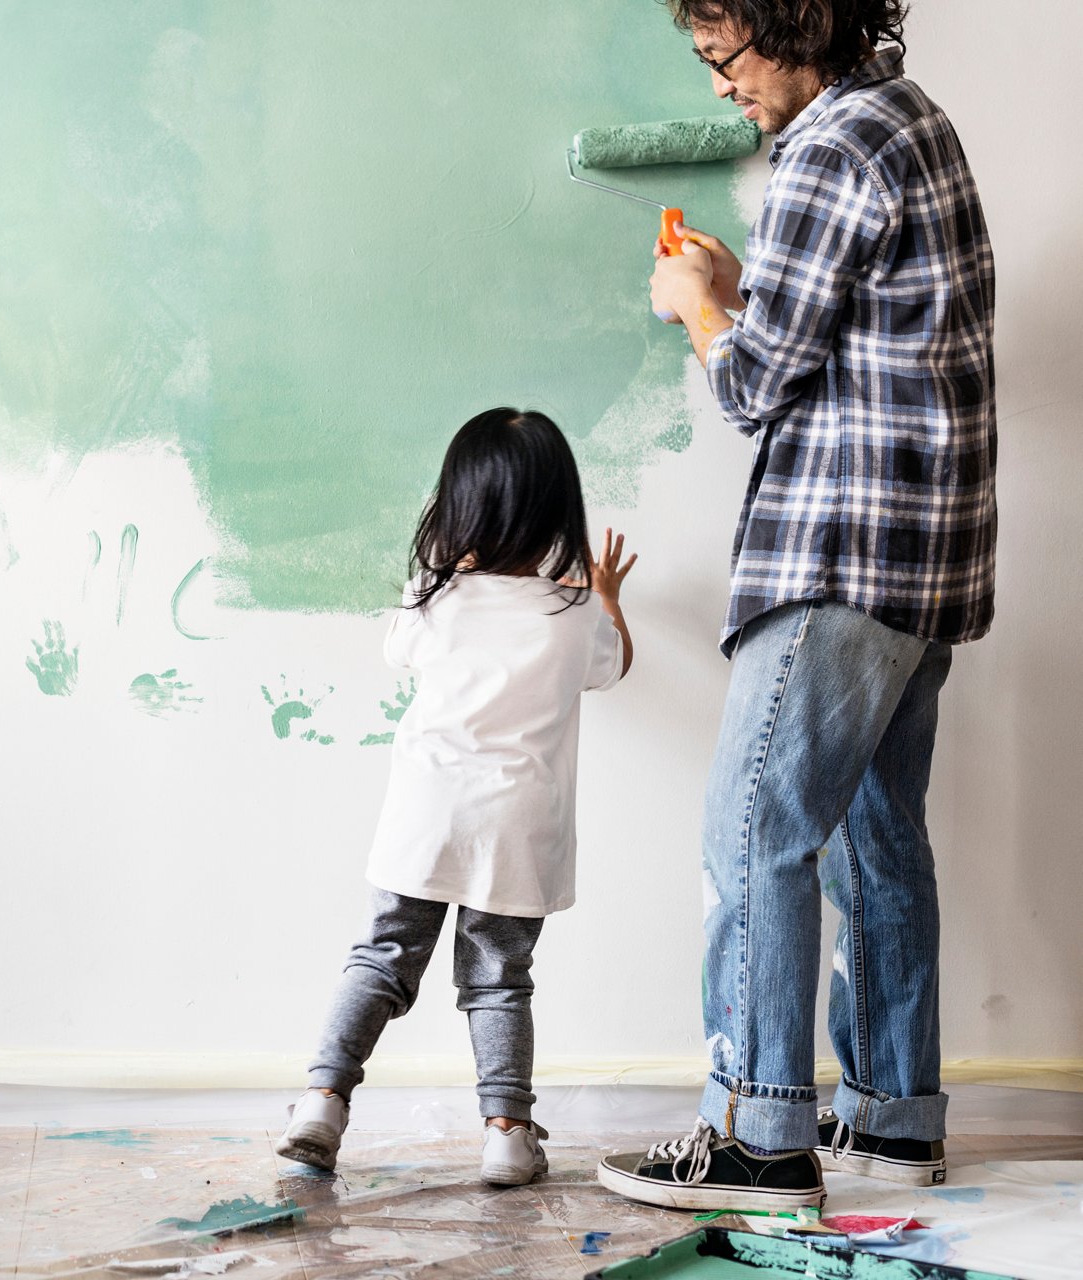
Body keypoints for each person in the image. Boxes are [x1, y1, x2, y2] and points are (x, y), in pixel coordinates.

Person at [598, 0, 996, 1211]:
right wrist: (738, 281)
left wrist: (695, 309)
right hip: (922, 558)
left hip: (839, 547)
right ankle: (890, 1116)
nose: (718, 84)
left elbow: (761, 382)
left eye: (724, 54)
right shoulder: (905, 120)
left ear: (793, 20)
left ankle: (757, 1134)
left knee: (754, 829)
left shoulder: (827, 146)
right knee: (875, 842)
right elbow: (848, 333)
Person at [278, 407, 636, 1186]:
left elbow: (397, 650)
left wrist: (455, 568)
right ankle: (507, 1134)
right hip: (518, 826)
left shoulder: (433, 598)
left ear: (458, 505)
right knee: (498, 977)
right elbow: (614, 669)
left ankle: (321, 1102)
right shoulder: (572, 614)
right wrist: (606, 596)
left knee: (381, 959)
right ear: (557, 510)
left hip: (425, 816)